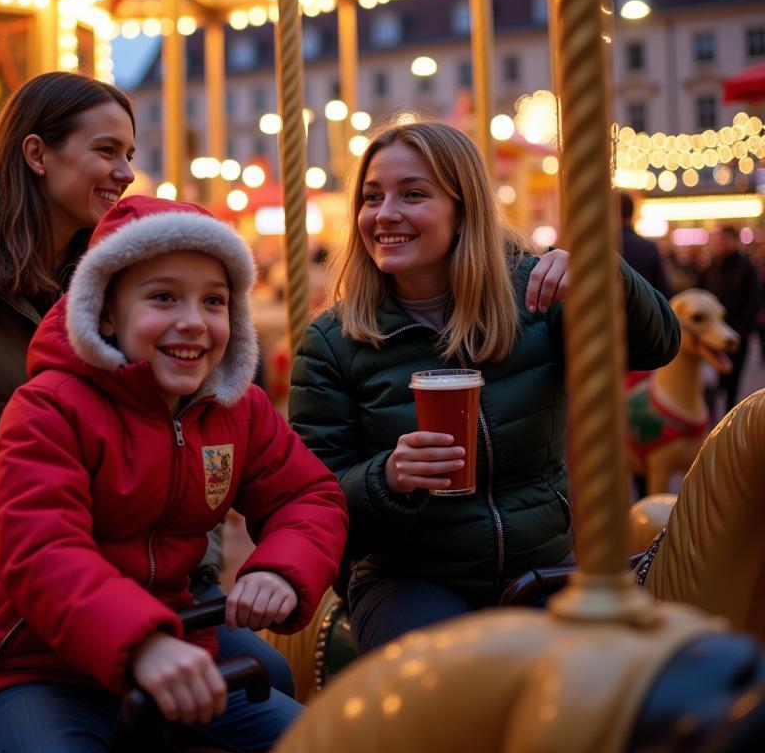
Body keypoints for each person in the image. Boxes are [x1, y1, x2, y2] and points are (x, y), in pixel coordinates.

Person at [0, 71, 294, 694]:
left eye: (129, 154)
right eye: (106, 151)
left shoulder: (120, 282)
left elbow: (185, 428)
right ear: (36, 153)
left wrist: (202, 565)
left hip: (129, 578)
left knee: (265, 674)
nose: (126, 171)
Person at [0, 195, 348, 753]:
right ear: (106, 307)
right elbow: (42, 549)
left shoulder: (234, 408)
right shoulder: (50, 409)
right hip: (34, 663)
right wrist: (142, 644)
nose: (194, 322)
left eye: (214, 301)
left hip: (174, 639)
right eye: (163, 298)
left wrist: (281, 569)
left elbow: (308, 495)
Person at [288, 121, 680, 654]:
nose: (385, 214)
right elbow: (313, 494)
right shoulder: (332, 341)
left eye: (413, 194)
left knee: (610, 683)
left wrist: (600, 271)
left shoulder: (534, 298)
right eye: (372, 197)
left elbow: (657, 345)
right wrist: (387, 477)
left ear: (462, 207)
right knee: (447, 679)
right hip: (410, 577)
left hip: (540, 563)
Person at [697, 224, 761, 414]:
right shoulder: (710, 268)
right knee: (711, 384)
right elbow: (700, 296)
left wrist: (742, 333)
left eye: (724, 240)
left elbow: (752, 303)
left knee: (732, 385)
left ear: (735, 241)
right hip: (711, 337)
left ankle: (728, 421)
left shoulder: (747, 268)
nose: (720, 244)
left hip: (735, 337)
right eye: (718, 240)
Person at [619, 191, 671, 297]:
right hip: (643, 310)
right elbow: (664, 289)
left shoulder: (604, 250)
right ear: (632, 214)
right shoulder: (648, 248)